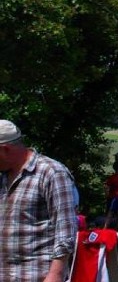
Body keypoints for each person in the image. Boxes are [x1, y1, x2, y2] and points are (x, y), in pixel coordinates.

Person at [0, 120, 77, 282]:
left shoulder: (52, 172)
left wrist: (55, 275)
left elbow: (65, 231)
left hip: (35, 275)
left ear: (5, 149)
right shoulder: (3, 177)